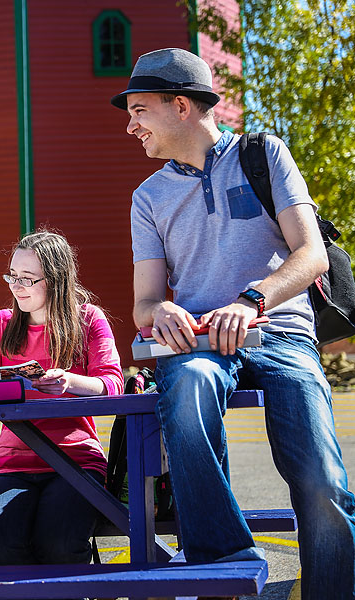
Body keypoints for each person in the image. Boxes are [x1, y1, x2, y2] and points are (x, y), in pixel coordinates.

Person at [112, 47, 355, 598]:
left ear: (180, 106)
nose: (130, 126)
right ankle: (227, 569)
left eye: (140, 110)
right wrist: (162, 312)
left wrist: (253, 301)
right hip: (198, 342)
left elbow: (312, 254)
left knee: (322, 479)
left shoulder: (263, 154)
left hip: (283, 332)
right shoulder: (147, 198)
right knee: (191, 384)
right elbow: (145, 303)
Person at [0, 230, 124, 565]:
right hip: (11, 462)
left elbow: (112, 384)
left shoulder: (89, 319)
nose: (17, 286)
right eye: (12, 276)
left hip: (77, 460)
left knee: (60, 544)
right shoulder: (1, 324)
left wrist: (69, 381)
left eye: (27, 278)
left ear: (56, 280)